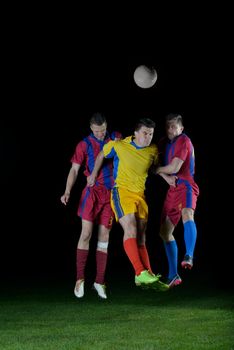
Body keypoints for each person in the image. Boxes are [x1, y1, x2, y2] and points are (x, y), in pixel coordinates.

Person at [88, 118, 169, 291]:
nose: (148, 137)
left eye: (151, 134)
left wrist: (166, 176)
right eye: (145, 133)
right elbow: (102, 153)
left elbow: (153, 168)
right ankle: (140, 272)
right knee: (130, 228)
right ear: (136, 133)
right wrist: (93, 174)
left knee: (141, 237)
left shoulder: (153, 150)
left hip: (140, 196)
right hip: (121, 192)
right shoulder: (119, 145)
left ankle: (147, 276)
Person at [60, 112, 122, 299]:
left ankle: (99, 281)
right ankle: (80, 279)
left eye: (103, 130)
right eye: (97, 131)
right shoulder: (84, 144)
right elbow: (74, 169)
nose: (101, 134)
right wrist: (67, 191)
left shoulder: (115, 137)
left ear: (106, 126)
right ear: (91, 129)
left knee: (104, 236)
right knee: (86, 234)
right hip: (91, 193)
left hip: (110, 193)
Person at [156, 113, 200, 288]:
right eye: (168, 126)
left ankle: (189, 255)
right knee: (164, 232)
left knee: (187, 215)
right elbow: (152, 166)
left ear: (181, 128)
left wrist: (159, 170)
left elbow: (174, 167)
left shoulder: (183, 140)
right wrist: (165, 177)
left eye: (173, 126)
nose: (170, 129)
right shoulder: (163, 143)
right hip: (172, 190)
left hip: (186, 185)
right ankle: (173, 275)